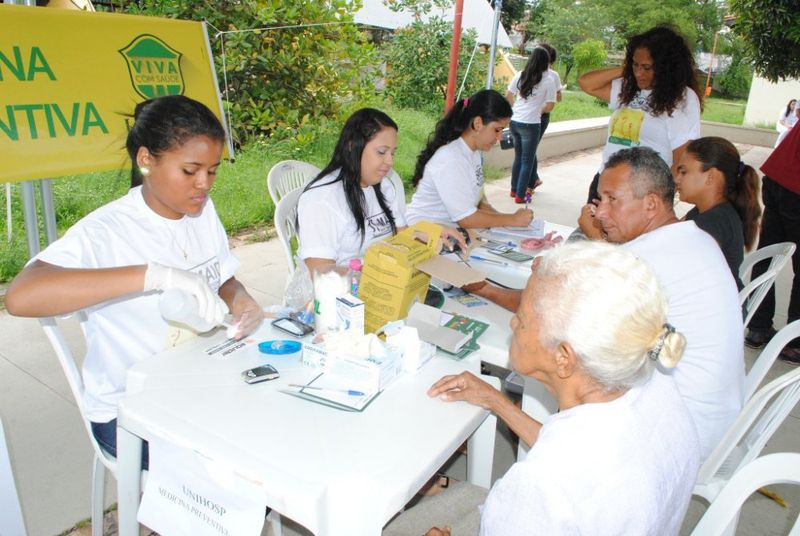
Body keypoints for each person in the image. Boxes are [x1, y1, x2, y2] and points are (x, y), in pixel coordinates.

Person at [4, 95, 264, 463]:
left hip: (199, 384)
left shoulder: (201, 212)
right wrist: (153, 275)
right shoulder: (106, 231)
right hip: (130, 411)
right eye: (190, 171)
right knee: (242, 461)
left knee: (280, 423)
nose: (204, 184)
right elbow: (21, 297)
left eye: (213, 170)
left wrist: (241, 300)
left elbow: (222, 278)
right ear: (146, 160)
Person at [472, 147, 743, 460]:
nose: (600, 213)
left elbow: (547, 310)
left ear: (651, 204)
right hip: (717, 418)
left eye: (613, 199)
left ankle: (551, 454)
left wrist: (489, 290)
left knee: (555, 354)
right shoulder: (694, 237)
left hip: (683, 435)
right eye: (600, 200)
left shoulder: (641, 261)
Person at [422, 241, 699, 535]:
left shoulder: (541, 485)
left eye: (524, 319)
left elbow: (561, 473)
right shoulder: (657, 385)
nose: (513, 323)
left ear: (564, 358)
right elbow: (576, 451)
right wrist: (496, 400)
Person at [297, 108, 466, 272]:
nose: (389, 161)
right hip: (340, 293)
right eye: (381, 152)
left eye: (392, 153)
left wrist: (433, 232)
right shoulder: (322, 201)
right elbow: (324, 276)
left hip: (380, 281)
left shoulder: (383, 186)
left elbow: (402, 236)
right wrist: (378, 271)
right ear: (351, 145)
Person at [578, 25, 702, 202]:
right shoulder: (628, 86)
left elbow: (681, 159)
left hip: (641, 195)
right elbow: (586, 83)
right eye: (635, 64)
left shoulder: (682, 99)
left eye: (647, 67)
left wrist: (660, 202)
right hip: (605, 185)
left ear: (666, 68)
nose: (639, 73)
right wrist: (628, 69)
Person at [405, 89, 534, 229]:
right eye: (497, 129)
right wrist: (512, 220)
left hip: (450, 233)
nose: (500, 137)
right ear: (478, 124)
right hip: (424, 235)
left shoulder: (473, 153)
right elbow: (466, 219)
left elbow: (479, 202)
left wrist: (507, 223)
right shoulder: (451, 159)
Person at [744, 120, 800, 363]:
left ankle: (757, 328)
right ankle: (794, 343)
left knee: (768, 255)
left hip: (779, 176)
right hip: (795, 187)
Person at [675, 137, 762, 289]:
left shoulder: (713, 222)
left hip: (716, 308)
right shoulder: (706, 211)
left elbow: (682, 272)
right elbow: (670, 233)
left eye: (684, 172)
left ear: (711, 177)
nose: (677, 179)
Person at [505, 47, 557, 201]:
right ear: (545, 62)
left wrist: (516, 109)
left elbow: (508, 95)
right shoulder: (548, 80)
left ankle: (514, 190)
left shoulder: (520, 75)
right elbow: (550, 105)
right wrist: (539, 111)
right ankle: (520, 196)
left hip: (515, 121)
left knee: (518, 157)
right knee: (527, 161)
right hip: (531, 124)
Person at [538, 43, 563, 138]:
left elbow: (559, 98)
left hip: (542, 115)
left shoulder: (553, 76)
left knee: (530, 149)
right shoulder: (527, 73)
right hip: (528, 115)